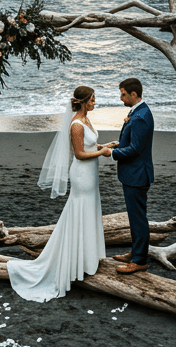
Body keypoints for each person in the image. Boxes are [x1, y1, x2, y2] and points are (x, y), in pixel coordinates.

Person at [7, 85, 112, 302]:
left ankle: (85, 259)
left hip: (91, 175)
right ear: (83, 102)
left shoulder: (87, 120)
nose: (95, 102)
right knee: (79, 212)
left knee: (90, 210)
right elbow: (81, 154)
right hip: (82, 175)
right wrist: (102, 152)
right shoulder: (76, 124)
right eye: (92, 99)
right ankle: (75, 261)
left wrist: (103, 145)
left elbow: (89, 145)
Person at [103, 78, 154, 274]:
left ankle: (140, 260)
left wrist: (113, 154)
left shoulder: (140, 116)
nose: (120, 97)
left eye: (123, 93)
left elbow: (135, 149)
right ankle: (135, 252)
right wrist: (118, 144)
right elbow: (133, 142)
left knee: (138, 219)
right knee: (135, 218)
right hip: (134, 174)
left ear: (134, 94)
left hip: (137, 175)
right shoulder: (139, 111)